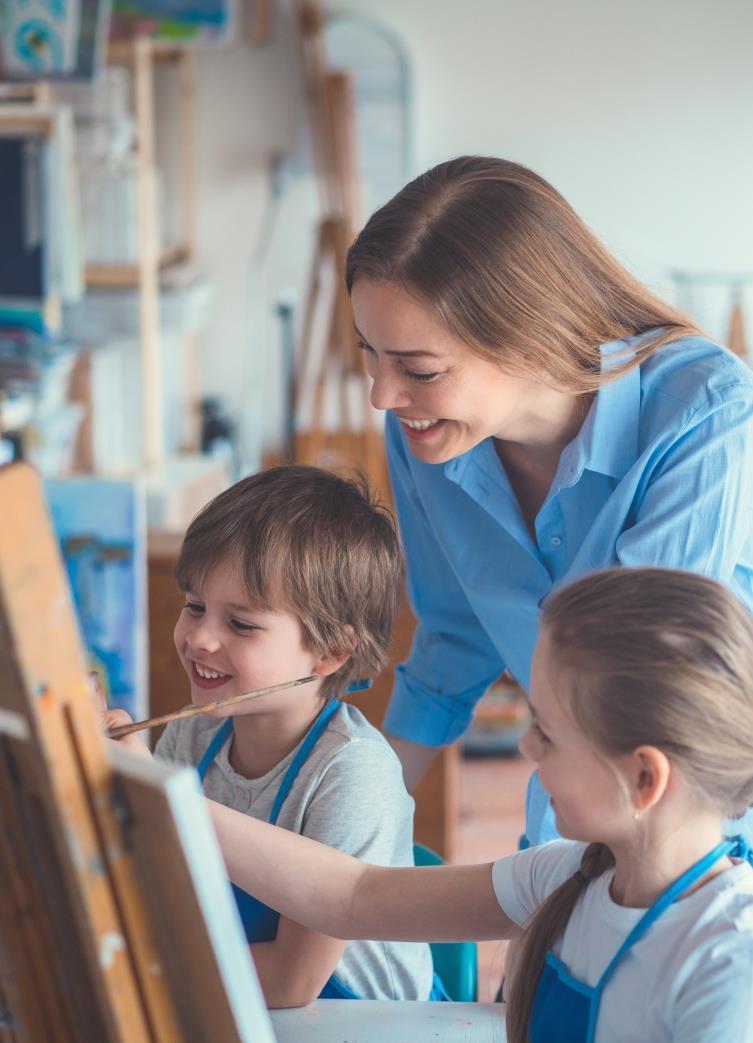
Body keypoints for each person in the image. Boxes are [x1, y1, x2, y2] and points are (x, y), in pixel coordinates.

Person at [344, 155, 753, 847]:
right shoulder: (424, 432)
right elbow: (453, 636)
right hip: (575, 803)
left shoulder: (703, 409)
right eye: (369, 353)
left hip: (699, 826)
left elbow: (641, 682)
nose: (382, 395)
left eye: (417, 369)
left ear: (527, 336)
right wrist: (357, 805)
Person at [208, 568, 753, 1042]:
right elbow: (354, 896)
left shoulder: (729, 960)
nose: (526, 746)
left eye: (548, 732)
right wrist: (178, 804)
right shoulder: (567, 875)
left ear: (643, 777)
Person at [104, 465, 435, 1007]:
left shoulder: (352, 773)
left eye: (242, 624)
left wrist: (129, 976)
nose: (200, 638)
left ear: (331, 651)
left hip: (364, 1022)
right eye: (194, 606)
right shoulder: (190, 740)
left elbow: (290, 981)